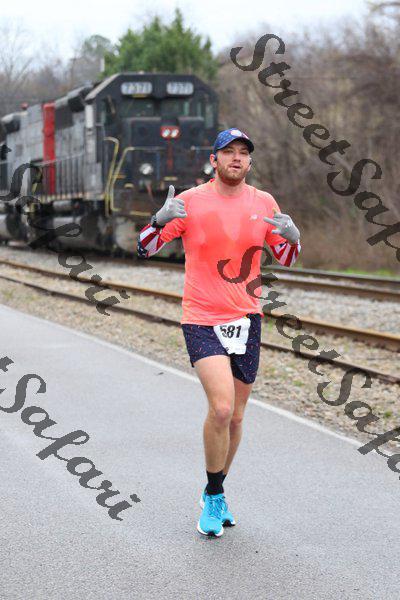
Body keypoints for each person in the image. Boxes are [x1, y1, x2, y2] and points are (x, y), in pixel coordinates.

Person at [137, 128, 301, 537]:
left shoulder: (263, 202)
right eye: (228, 152)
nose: (236, 158)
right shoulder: (190, 202)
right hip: (202, 317)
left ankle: (216, 489)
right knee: (222, 408)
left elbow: (285, 256)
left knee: (238, 416)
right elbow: (145, 248)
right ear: (214, 160)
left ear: (250, 161)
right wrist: (158, 221)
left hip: (247, 317)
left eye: (243, 152)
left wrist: (293, 239)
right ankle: (213, 496)